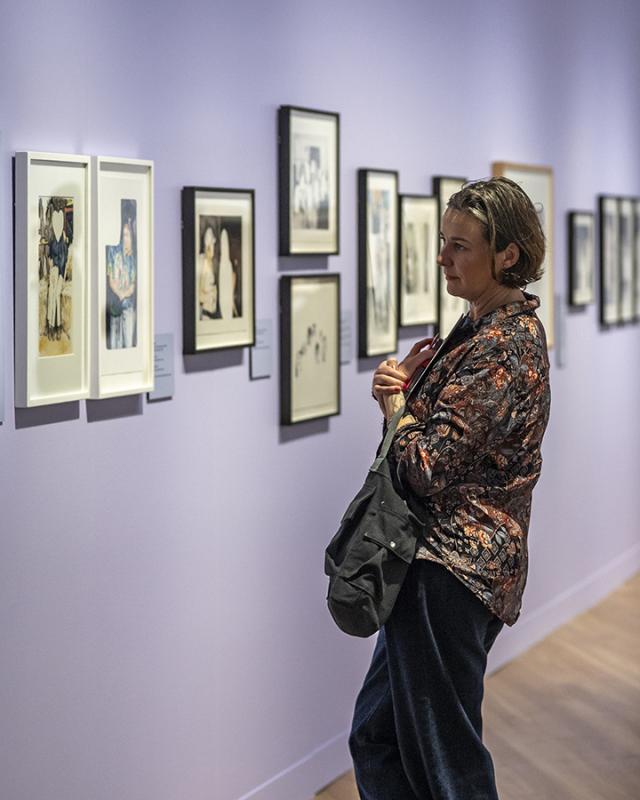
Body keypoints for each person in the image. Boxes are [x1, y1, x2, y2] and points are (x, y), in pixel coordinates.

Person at [349, 177, 551, 800]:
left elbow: (427, 464)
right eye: (443, 241)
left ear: (507, 254)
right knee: (378, 737)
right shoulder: (476, 329)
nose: (443, 258)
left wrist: (397, 410)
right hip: (434, 562)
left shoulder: (501, 347)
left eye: (459, 246)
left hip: (452, 572)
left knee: (448, 762)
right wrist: (404, 391)